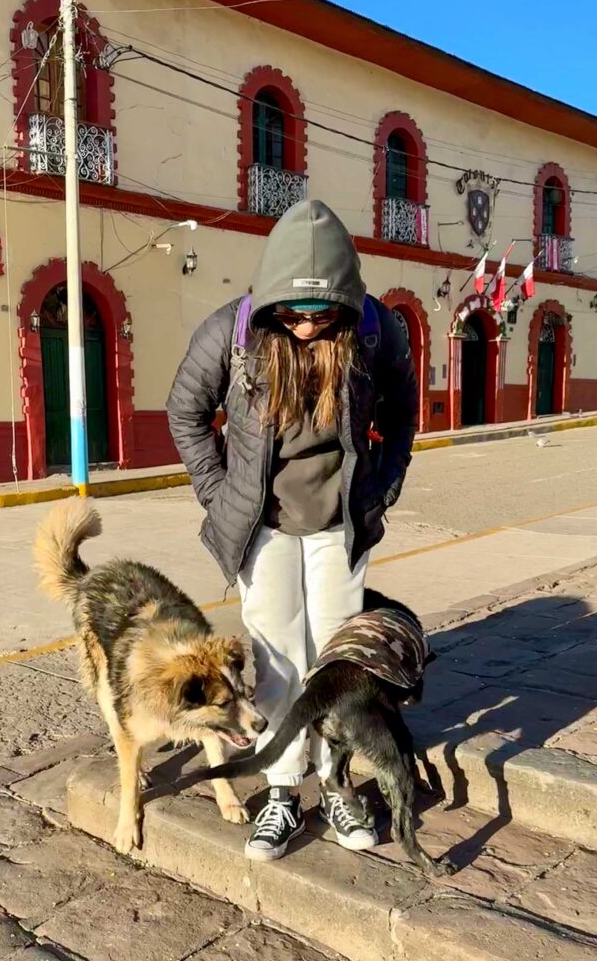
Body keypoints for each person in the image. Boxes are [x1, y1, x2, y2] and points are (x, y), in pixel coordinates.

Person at [167, 199, 418, 861]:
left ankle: (336, 785)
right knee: (277, 665)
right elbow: (186, 412)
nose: (307, 325)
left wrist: (382, 490)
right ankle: (283, 793)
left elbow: (403, 414)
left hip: (339, 527)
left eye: (321, 312)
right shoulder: (233, 330)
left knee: (335, 666)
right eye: (295, 311)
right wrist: (218, 495)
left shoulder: (374, 331)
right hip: (264, 531)